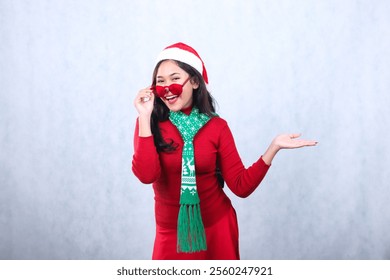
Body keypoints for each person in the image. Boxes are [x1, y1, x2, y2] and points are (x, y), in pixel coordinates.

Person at [132, 42, 317, 260]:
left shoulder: (217, 127)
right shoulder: (149, 124)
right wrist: (144, 116)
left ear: (194, 81)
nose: (167, 88)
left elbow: (240, 186)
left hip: (217, 229)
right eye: (160, 82)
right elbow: (146, 175)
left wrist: (273, 147)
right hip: (171, 234)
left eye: (175, 79)